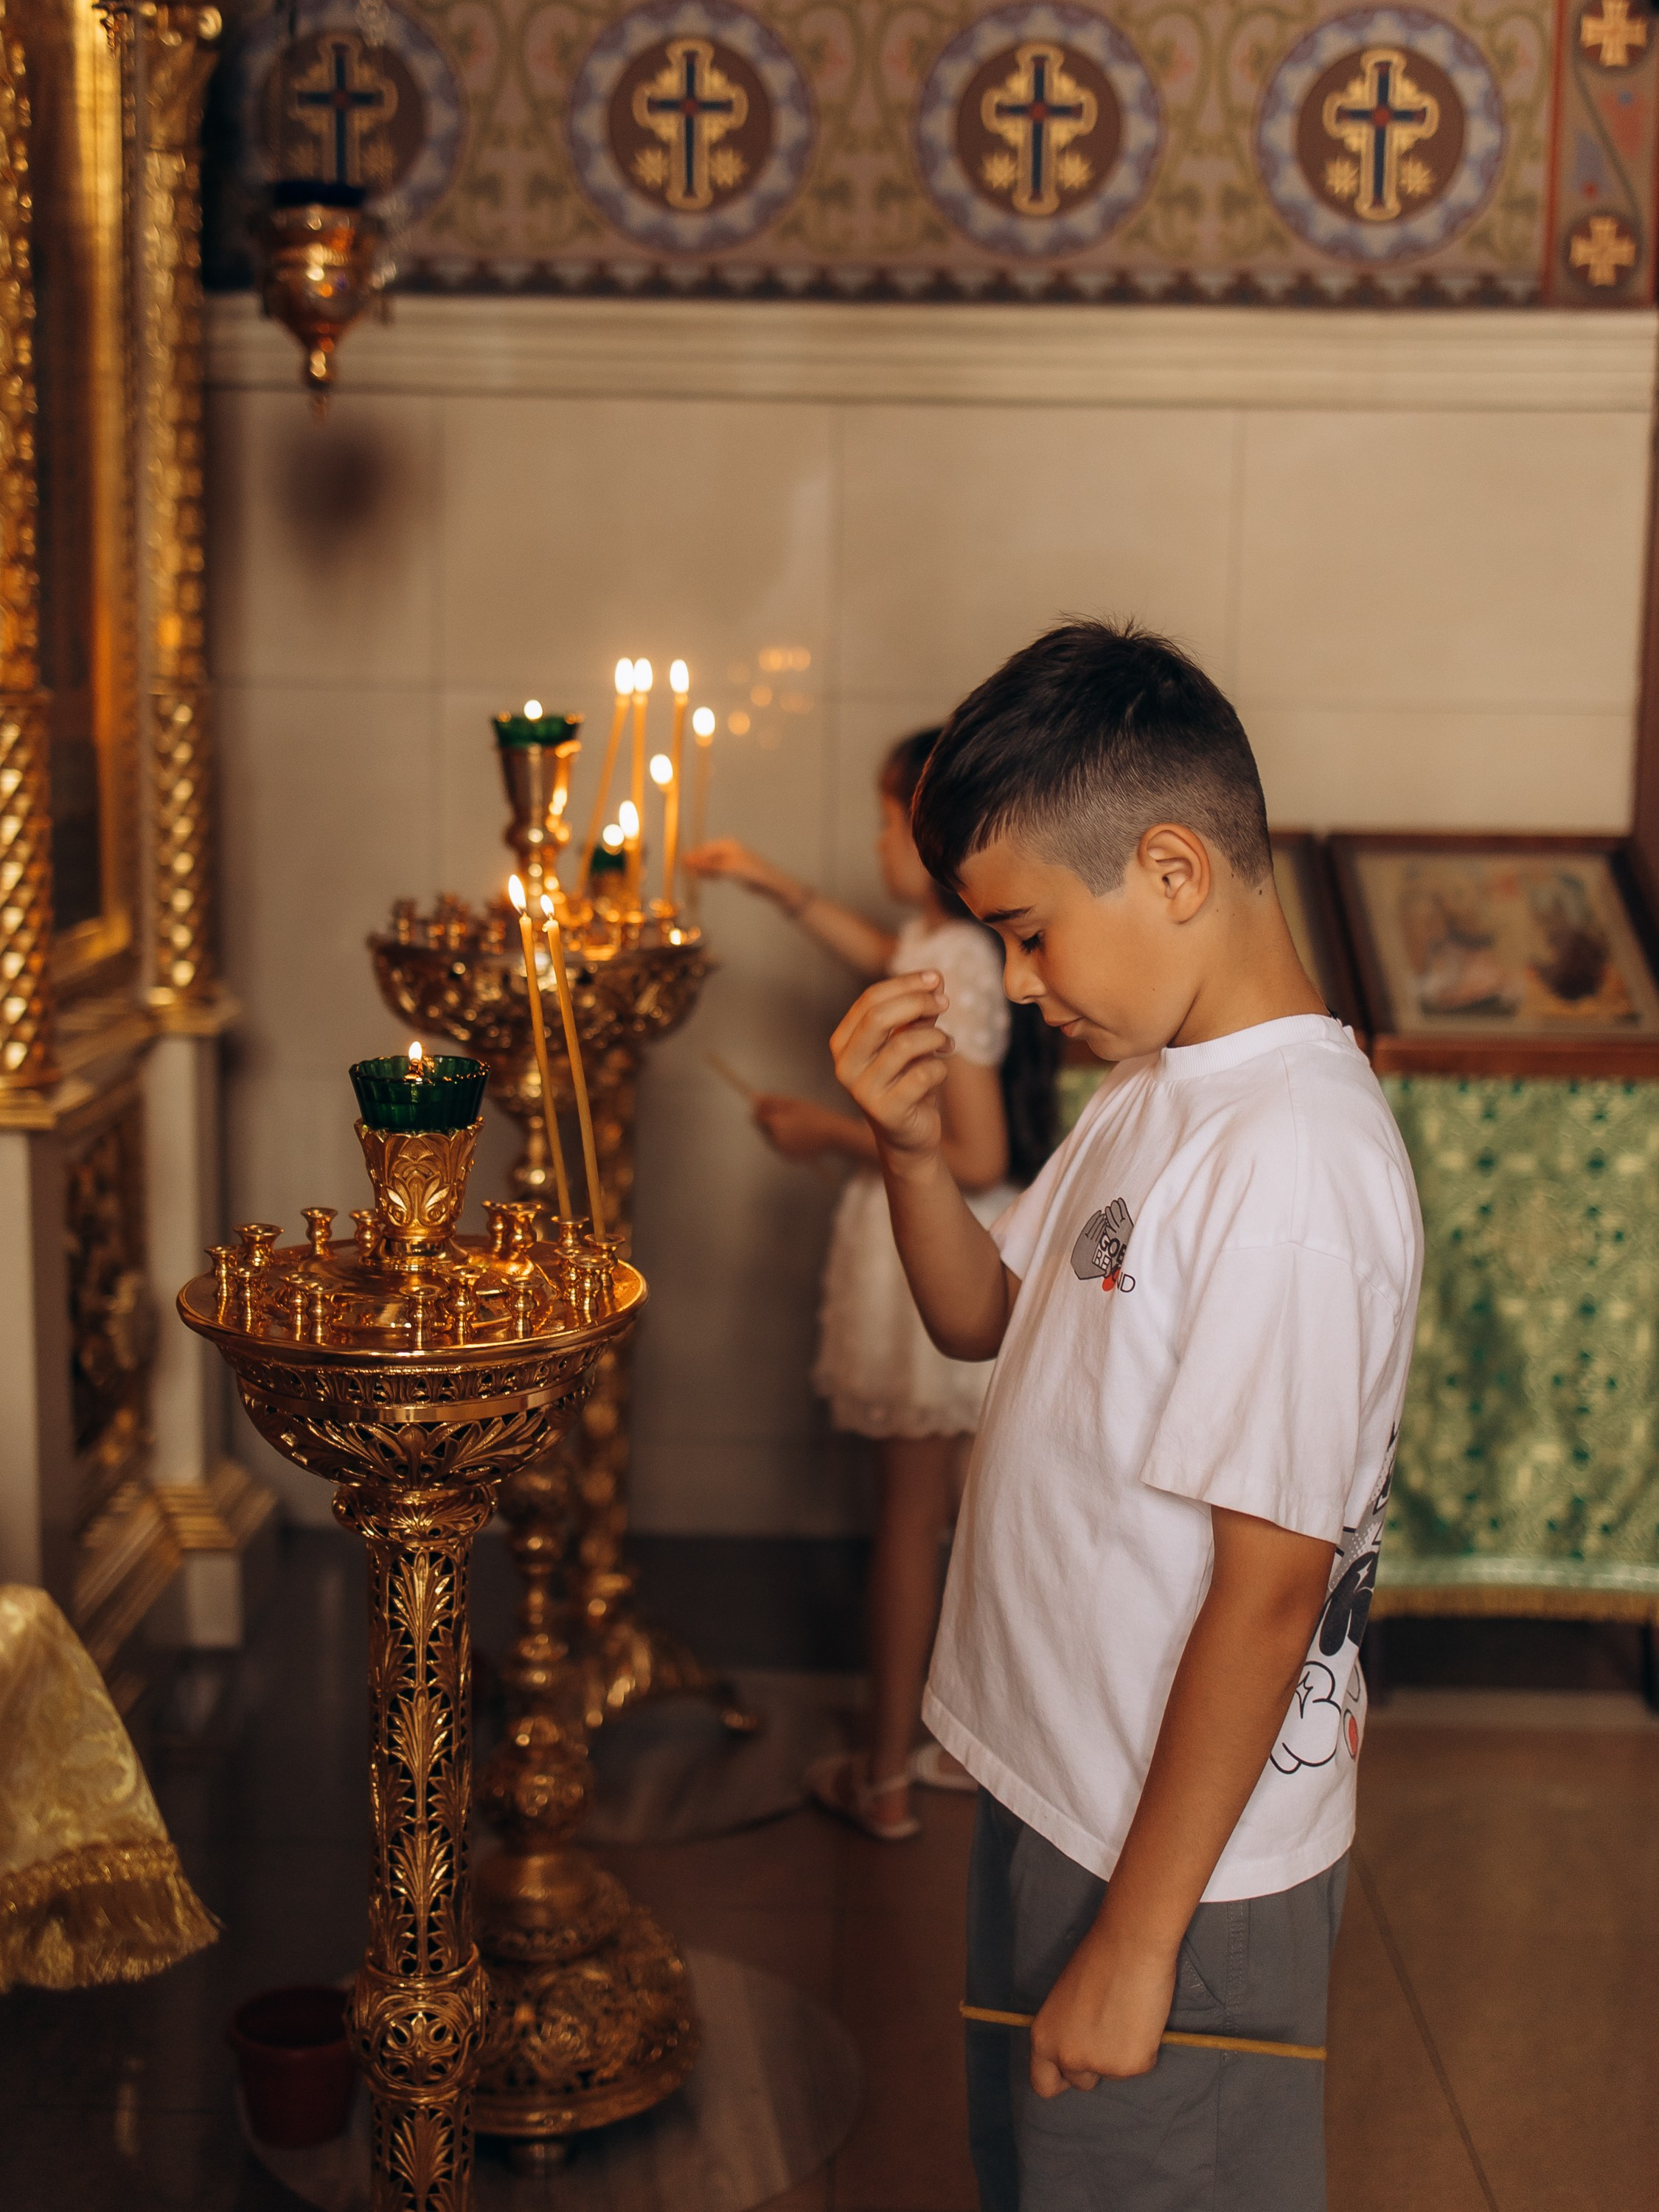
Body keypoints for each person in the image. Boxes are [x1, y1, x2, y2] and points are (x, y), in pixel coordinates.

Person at [829, 623, 1423, 2211]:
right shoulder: (1158, 1089)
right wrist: (904, 1152)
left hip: (1185, 1864)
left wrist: (1142, 1941)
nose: (1015, 987)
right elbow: (987, 1321)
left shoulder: (1295, 1163)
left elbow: (1272, 1586)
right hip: (1068, 1788)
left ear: (1172, 870)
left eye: (1027, 934)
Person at [686, 731, 1058, 1840]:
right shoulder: (942, 940)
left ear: (935, 836)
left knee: (907, 1522)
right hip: (937, 1242)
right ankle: (956, 1745)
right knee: (954, 1515)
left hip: (934, 1253)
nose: (873, 842)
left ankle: (886, 1772)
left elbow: (979, 1154)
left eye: (884, 821)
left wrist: (829, 1133)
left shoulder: (954, 957)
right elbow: (877, 948)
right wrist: (769, 882)